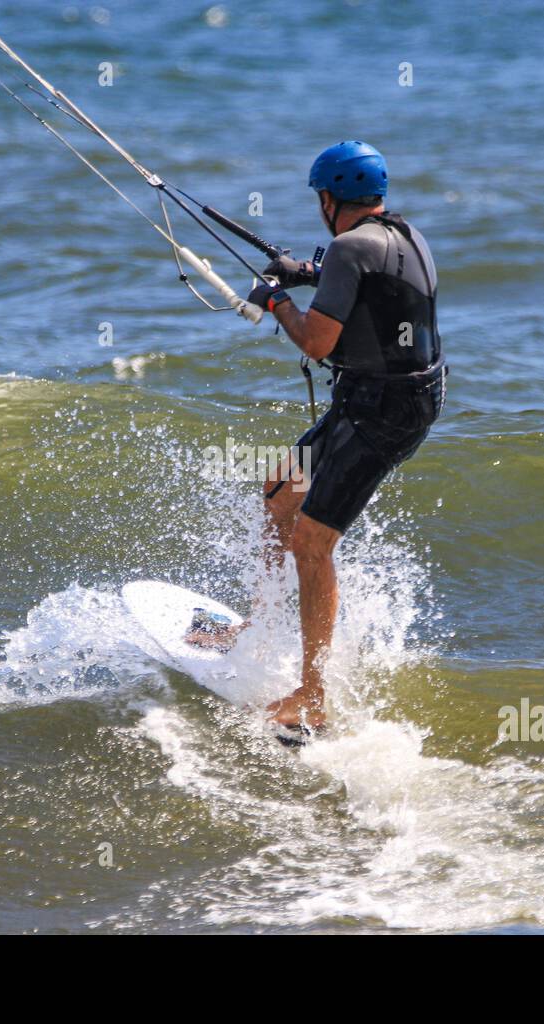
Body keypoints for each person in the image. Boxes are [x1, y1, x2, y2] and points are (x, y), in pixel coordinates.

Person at [233, 140, 447, 740]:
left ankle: (314, 695)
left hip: (385, 413)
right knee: (279, 495)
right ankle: (256, 630)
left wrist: (277, 298)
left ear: (329, 200)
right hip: (385, 398)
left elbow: (317, 343)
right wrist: (305, 273)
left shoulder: (352, 247)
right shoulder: (403, 234)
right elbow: (370, 285)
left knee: (311, 542)